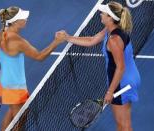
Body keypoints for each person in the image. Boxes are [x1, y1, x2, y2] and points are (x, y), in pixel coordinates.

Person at [57, 2, 141, 131]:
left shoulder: (113, 40)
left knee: (123, 125)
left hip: (121, 82)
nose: (100, 14)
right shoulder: (111, 29)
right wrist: (68, 37)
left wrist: (110, 91)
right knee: (124, 124)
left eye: (103, 13)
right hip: (130, 78)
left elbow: (120, 67)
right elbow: (92, 40)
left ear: (110, 18)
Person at [0, 6, 64, 131]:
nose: (26, 19)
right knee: (20, 118)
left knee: (16, 112)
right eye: (23, 18)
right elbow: (40, 56)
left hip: (6, 82)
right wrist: (56, 42)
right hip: (13, 86)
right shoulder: (18, 41)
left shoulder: (1, 34)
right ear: (16, 22)